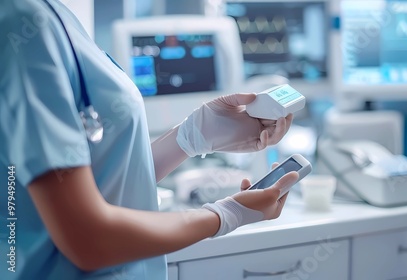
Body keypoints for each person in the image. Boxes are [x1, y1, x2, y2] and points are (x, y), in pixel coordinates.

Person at [0, 0, 297, 279]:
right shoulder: (24, 24)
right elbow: (88, 239)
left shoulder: (54, 15)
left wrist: (190, 137)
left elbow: (104, 183)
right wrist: (226, 215)